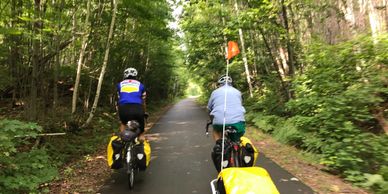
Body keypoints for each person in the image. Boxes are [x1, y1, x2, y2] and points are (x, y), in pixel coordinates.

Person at [207, 75, 246, 142]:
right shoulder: (238, 92)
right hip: (238, 122)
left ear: (219, 84)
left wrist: (211, 119)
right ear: (231, 84)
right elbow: (240, 105)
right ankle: (236, 147)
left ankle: (219, 145)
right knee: (237, 140)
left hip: (219, 122)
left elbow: (209, 109)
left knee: (216, 130)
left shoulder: (214, 92)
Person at [117, 67, 147, 140]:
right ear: (135, 76)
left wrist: (118, 112)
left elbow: (119, 99)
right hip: (137, 108)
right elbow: (143, 101)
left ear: (125, 75)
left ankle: (122, 140)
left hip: (123, 108)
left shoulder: (119, 85)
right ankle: (141, 138)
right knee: (141, 125)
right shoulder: (141, 85)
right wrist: (144, 111)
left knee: (123, 123)